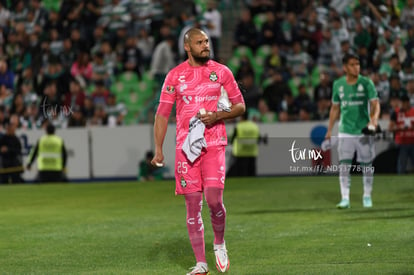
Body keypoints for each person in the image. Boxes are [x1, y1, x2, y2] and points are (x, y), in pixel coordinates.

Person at [151, 28, 245, 274]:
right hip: (186, 148)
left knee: (214, 201)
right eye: (200, 42)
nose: (205, 45)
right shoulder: (174, 76)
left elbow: (240, 106)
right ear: (187, 46)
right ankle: (201, 263)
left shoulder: (222, 72)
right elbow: (162, 114)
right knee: (192, 206)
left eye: (206, 41)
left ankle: (219, 243)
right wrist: (158, 149)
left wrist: (217, 116)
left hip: (214, 144)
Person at [325, 53, 380, 209]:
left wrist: (374, 118)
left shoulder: (367, 83)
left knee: (367, 165)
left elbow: (375, 104)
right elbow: (335, 108)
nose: (356, 67)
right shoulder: (338, 84)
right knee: (344, 165)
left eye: (358, 64)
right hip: (345, 130)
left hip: (363, 130)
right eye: (352, 64)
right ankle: (345, 198)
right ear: (345, 67)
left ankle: (367, 196)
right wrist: (329, 129)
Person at [227, 111, 260, 177]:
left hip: (240, 153)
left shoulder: (238, 126)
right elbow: (258, 138)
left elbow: (231, 139)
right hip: (252, 152)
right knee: (251, 173)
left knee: (241, 174)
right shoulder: (254, 126)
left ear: (241, 117)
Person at [389, 95, 414, 174]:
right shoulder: (396, 112)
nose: (402, 105)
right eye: (401, 103)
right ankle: (400, 179)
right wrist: (400, 127)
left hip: (413, 142)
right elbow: (390, 128)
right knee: (401, 164)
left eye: (404, 103)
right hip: (401, 142)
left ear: (408, 103)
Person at [0, 114, 24, 184]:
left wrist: (8, 150)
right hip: (5, 164)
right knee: (4, 182)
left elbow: (19, 150)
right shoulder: (3, 139)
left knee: (15, 181)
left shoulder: (16, 139)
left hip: (14, 164)